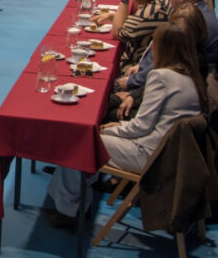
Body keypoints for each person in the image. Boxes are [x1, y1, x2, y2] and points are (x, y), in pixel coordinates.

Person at [44, 23, 205, 228]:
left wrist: (110, 129)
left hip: (152, 154)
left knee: (80, 143)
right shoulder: (191, 75)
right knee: (91, 138)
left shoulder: (161, 76)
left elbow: (141, 127)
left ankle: (68, 211)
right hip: (172, 154)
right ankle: (74, 202)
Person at [91, 0, 170, 67]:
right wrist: (113, 17)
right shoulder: (162, 0)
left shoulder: (150, 12)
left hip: (138, 65)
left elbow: (118, 33)